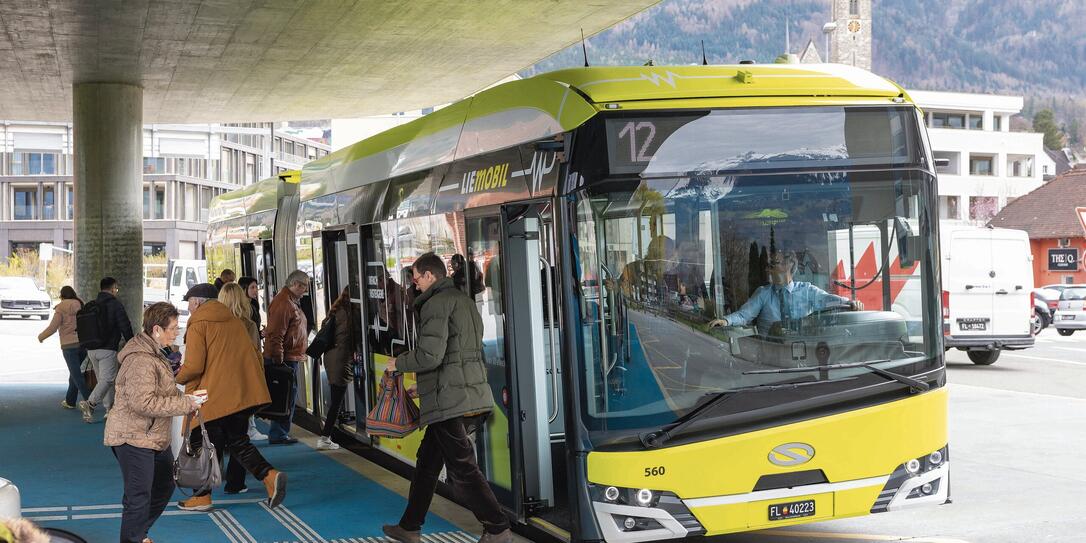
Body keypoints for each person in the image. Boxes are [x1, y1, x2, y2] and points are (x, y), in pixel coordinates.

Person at [382, 252, 511, 543]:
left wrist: (398, 364)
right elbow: (457, 357)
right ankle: (410, 526)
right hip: (463, 395)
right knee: (427, 464)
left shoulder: (436, 304)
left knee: (462, 468)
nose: (414, 286)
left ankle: (497, 528)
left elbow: (430, 355)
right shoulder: (463, 301)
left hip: (451, 404)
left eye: (416, 279)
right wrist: (423, 388)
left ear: (430, 275)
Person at [176, 283, 286, 511]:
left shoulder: (198, 323)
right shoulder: (234, 321)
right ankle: (269, 476)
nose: (188, 307)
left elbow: (195, 366)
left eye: (189, 302)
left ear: (197, 302)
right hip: (241, 394)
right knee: (237, 441)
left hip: (213, 396)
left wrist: (175, 376)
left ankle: (201, 497)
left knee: (198, 441)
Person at [103, 302, 201, 543]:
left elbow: (161, 394)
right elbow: (143, 404)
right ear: (157, 329)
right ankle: (133, 538)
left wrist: (188, 399)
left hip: (152, 436)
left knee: (164, 486)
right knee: (138, 497)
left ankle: (137, 533)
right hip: (133, 436)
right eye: (173, 328)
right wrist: (185, 404)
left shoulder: (156, 353)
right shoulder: (141, 361)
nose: (176, 332)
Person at [709, 250, 862, 334]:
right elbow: (744, 315)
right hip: (769, 353)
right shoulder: (763, 293)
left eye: (772, 264)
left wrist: (850, 304)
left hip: (802, 351)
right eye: (768, 265)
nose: (767, 268)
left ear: (789, 264)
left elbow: (829, 300)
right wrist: (726, 321)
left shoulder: (807, 291)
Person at [263, 270, 310, 445]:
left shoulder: (289, 301)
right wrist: (279, 360)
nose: (306, 290)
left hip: (289, 356)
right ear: (297, 285)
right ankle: (278, 434)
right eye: (305, 286)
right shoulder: (284, 303)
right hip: (285, 359)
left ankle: (280, 432)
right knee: (285, 396)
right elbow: (276, 335)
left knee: (286, 395)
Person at [79, 277, 135, 423]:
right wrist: (131, 342)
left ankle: (109, 410)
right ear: (112, 288)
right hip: (107, 348)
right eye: (116, 289)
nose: (116, 291)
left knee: (103, 381)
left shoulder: (93, 304)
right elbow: (125, 325)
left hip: (91, 349)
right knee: (108, 379)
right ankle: (90, 403)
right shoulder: (115, 305)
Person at [38, 285, 90, 415]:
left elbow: (52, 328)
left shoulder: (61, 308)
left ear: (62, 296)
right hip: (83, 344)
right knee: (74, 374)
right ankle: (70, 401)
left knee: (76, 375)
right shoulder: (80, 304)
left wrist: (41, 337)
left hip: (69, 346)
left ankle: (91, 401)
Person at [316, 288, 355, 451]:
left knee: (336, 398)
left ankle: (328, 434)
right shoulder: (348, 314)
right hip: (340, 358)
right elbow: (351, 336)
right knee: (337, 401)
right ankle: (325, 437)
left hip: (331, 356)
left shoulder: (337, 310)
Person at [236, 276, 268, 441]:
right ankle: (251, 429)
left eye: (256, 287)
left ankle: (251, 427)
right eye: (253, 287)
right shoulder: (244, 311)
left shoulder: (253, 306)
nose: (256, 290)